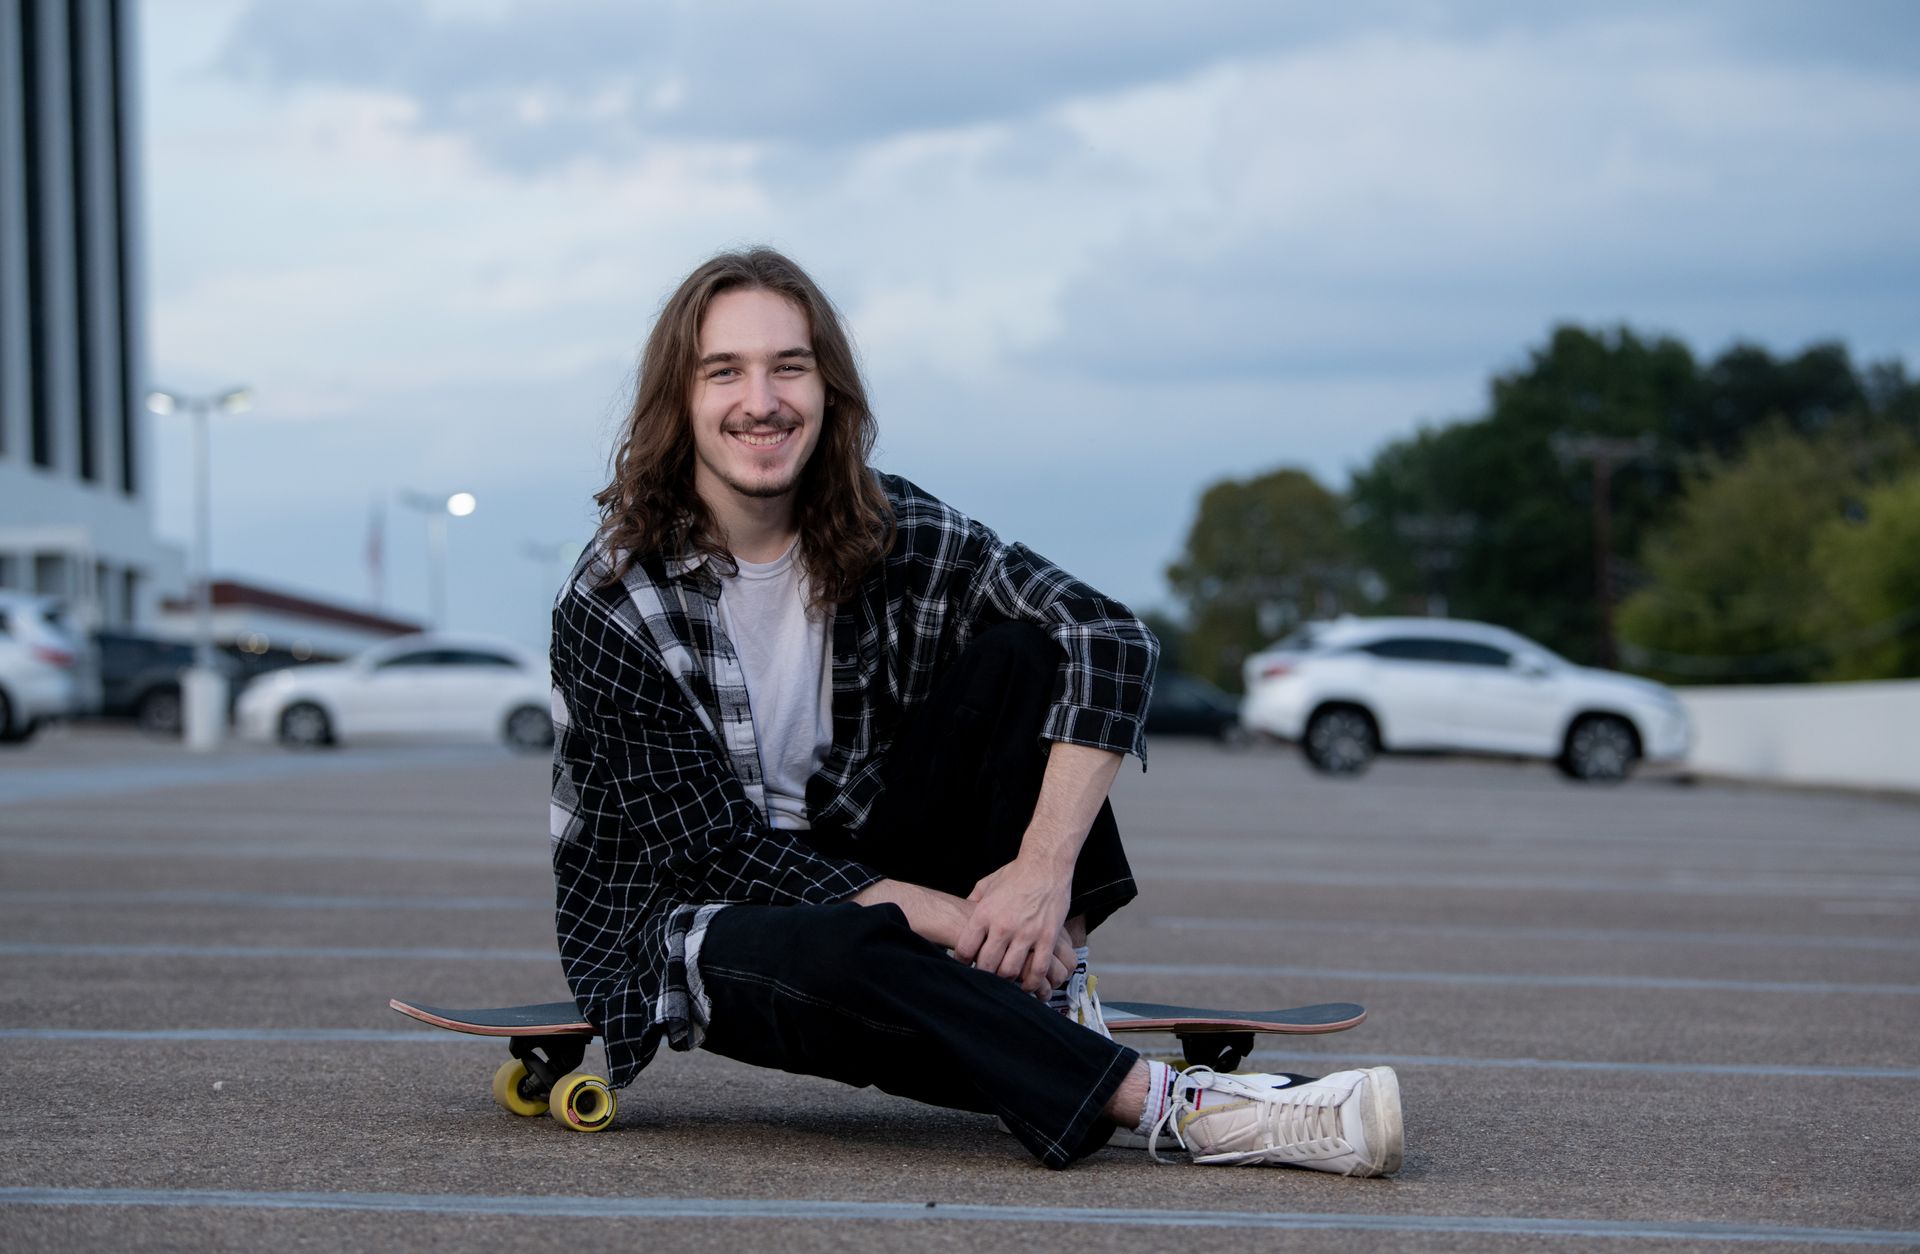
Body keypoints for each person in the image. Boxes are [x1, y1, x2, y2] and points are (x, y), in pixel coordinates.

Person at [547, 246, 1403, 1174]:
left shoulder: (890, 528)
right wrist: (947, 919)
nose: (762, 400)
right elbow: (710, 848)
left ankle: (1049, 967)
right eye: (726, 372)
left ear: (828, 390)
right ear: (681, 399)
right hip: (698, 919)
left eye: (788, 367)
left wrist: (1038, 878)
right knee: (847, 950)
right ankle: (1188, 1109)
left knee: (1028, 651)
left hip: (868, 851)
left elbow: (1108, 638)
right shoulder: (612, 602)